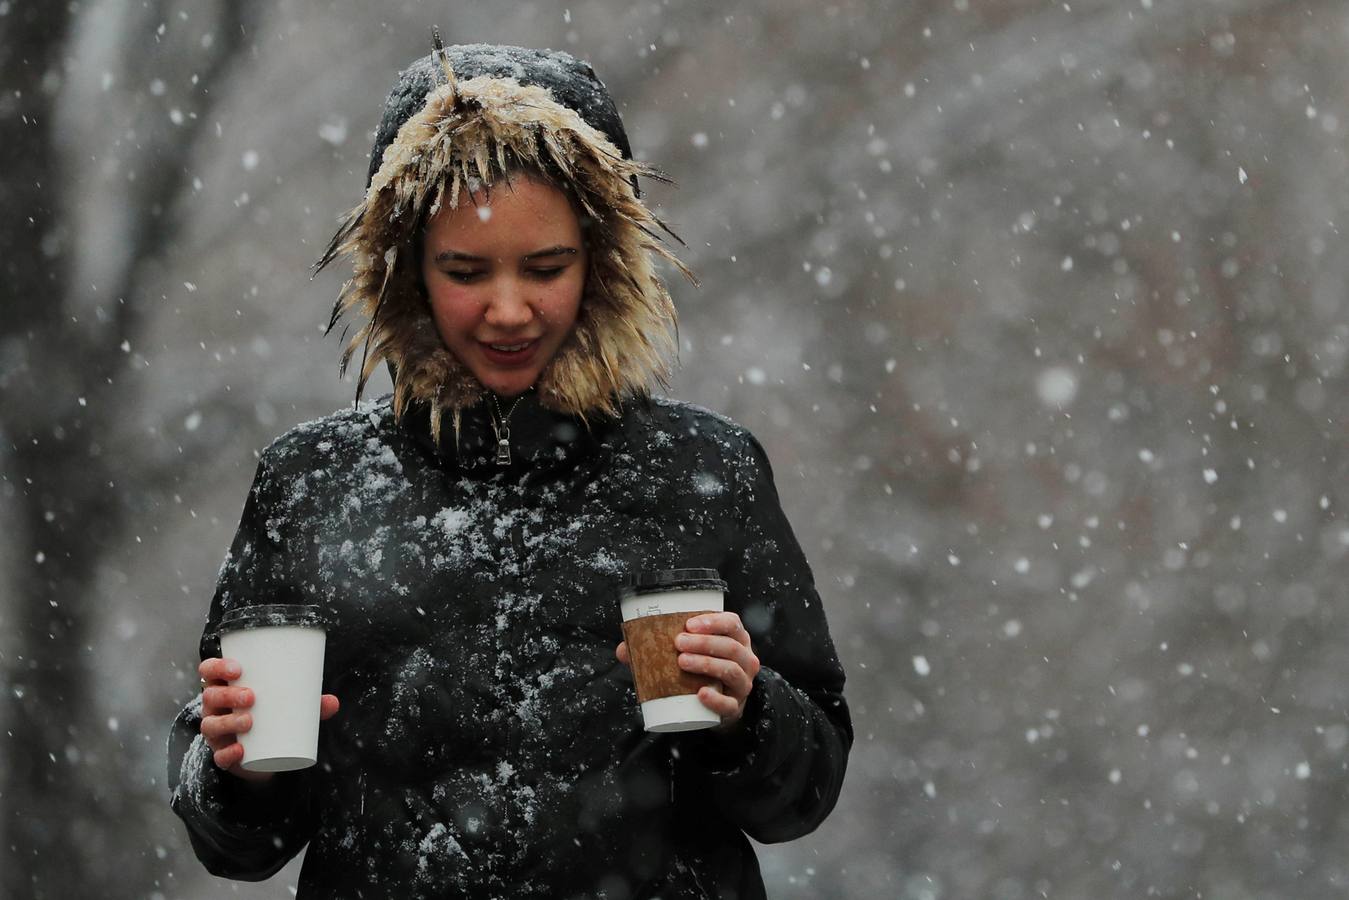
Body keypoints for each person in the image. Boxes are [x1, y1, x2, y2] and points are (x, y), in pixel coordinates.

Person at [167, 39, 851, 900]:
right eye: (463, 270)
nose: (507, 309)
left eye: (545, 267)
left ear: (600, 265)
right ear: (405, 269)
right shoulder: (311, 483)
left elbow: (803, 793)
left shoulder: (702, 471)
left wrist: (749, 715)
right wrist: (237, 771)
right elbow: (238, 844)